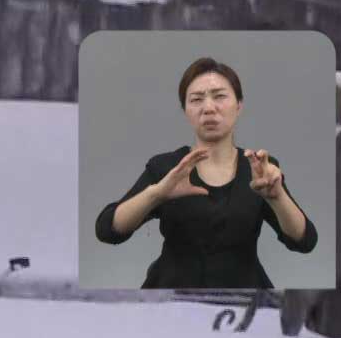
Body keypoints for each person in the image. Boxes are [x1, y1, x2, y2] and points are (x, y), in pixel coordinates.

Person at [94, 57, 317, 289]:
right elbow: (107, 229)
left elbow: (305, 240)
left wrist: (277, 197)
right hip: (170, 302)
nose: (208, 108)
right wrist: (157, 194)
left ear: (239, 105)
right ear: (185, 110)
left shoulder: (259, 169)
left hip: (244, 302)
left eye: (220, 96)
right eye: (196, 100)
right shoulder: (167, 167)